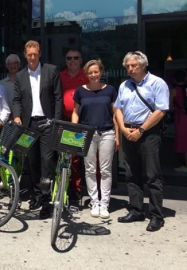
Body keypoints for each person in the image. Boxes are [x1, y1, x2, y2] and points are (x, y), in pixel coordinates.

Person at [114, 51, 169, 232]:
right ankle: (136, 210)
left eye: (134, 65)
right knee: (132, 173)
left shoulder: (157, 83)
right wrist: (122, 129)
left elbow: (160, 111)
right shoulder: (124, 85)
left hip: (148, 133)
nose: (130, 68)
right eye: (128, 66)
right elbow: (118, 109)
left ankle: (156, 215)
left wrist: (142, 130)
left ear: (143, 65)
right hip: (128, 131)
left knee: (152, 176)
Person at [12, 40, 63, 219]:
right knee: (31, 162)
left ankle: (47, 199)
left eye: (35, 54)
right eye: (29, 54)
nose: (32, 57)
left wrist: (56, 121)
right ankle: (36, 195)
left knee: (46, 161)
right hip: (28, 125)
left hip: (48, 123)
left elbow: (58, 98)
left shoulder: (51, 70)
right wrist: (17, 116)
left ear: (39, 54)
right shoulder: (20, 76)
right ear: (25, 56)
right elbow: (17, 99)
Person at [71, 60, 119, 219]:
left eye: (96, 72)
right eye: (90, 72)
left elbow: (116, 114)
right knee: (90, 169)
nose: (93, 75)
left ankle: (104, 203)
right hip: (87, 133)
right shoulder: (80, 91)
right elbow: (75, 113)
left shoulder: (110, 90)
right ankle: (94, 201)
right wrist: (73, 132)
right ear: (86, 73)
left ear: (101, 72)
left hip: (107, 133)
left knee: (105, 170)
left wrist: (118, 135)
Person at [60, 49, 89, 202]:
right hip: (64, 121)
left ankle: (78, 190)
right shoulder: (59, 76)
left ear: (80, 60)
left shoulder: (87, 76)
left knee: (84, 158)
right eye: (69, 58)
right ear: (66, 61)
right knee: (69, 157)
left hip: (83, 121)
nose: (72, 60)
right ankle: (68, 190)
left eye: (75, 58)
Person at [169, 69, 187, 172]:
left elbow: (170, 106)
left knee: (183, 141)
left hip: (181, 117)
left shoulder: (174, 90)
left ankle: (185, 165)